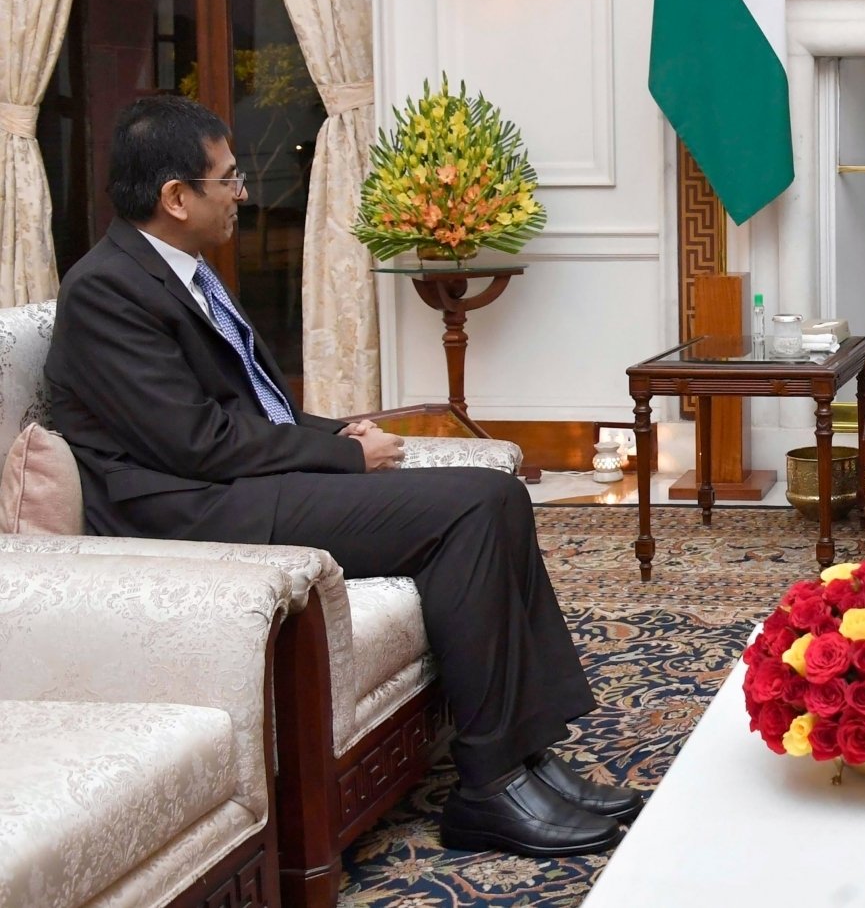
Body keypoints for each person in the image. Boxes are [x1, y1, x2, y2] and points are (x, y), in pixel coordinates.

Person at [44, 96, 640, 858]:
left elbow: (254, 411)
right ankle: (492, 785)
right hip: (195, 512)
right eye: (227, 179)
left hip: (235, 483)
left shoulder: (180, 271)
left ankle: (524, 759)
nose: (242, 193)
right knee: (473, 503)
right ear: (175, 196)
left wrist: (338, 431)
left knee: (493, 495)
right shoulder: (106, 289)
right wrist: (343, 456)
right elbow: (193, 441)